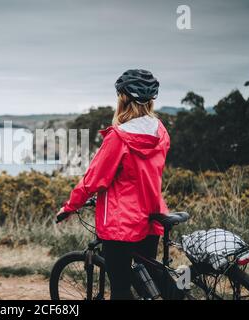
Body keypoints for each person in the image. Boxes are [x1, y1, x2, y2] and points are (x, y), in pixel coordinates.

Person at [57, 69, 170, 300]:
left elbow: (93, 179)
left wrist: (70, 206)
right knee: (147, 285)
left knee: (120, 288)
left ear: (123, 99)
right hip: (152, 216)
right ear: (150, 101)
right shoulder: (161, 132)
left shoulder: (118, 138)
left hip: (121, 224)